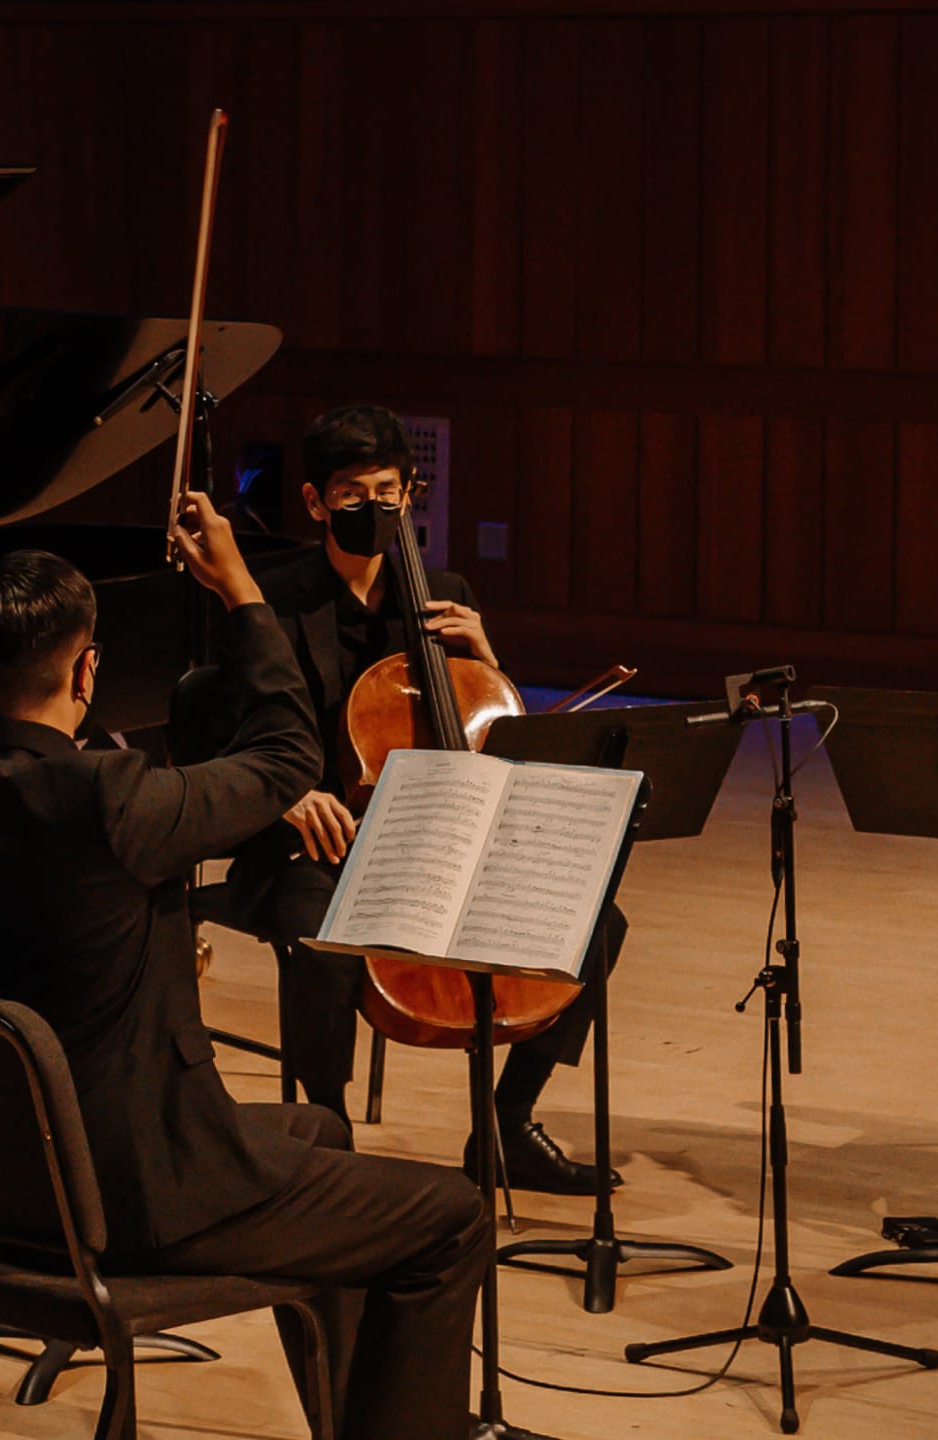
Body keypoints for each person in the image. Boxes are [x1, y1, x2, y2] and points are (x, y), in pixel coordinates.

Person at [0, 507, 490, 1440]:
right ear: (88, 673)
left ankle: (348, 1422)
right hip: (133, 1194)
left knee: (320, 1128)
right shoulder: (112, 800)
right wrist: (242, 588)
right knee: (450, 1216)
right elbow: (289, 758)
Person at [180, 403, 620, 1194]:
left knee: (593, 923)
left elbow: (488, 732)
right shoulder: (266, 601)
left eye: (389, 490)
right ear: (315, 502)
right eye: (352, 493)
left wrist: (489, 659)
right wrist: (288, 797)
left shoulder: (442, 593)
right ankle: (325, 1131)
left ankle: (508, 1124)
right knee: (321, 935)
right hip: (314, 843)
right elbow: (218, 739)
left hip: (434, 840)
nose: (374, 508)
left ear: (410, 494)